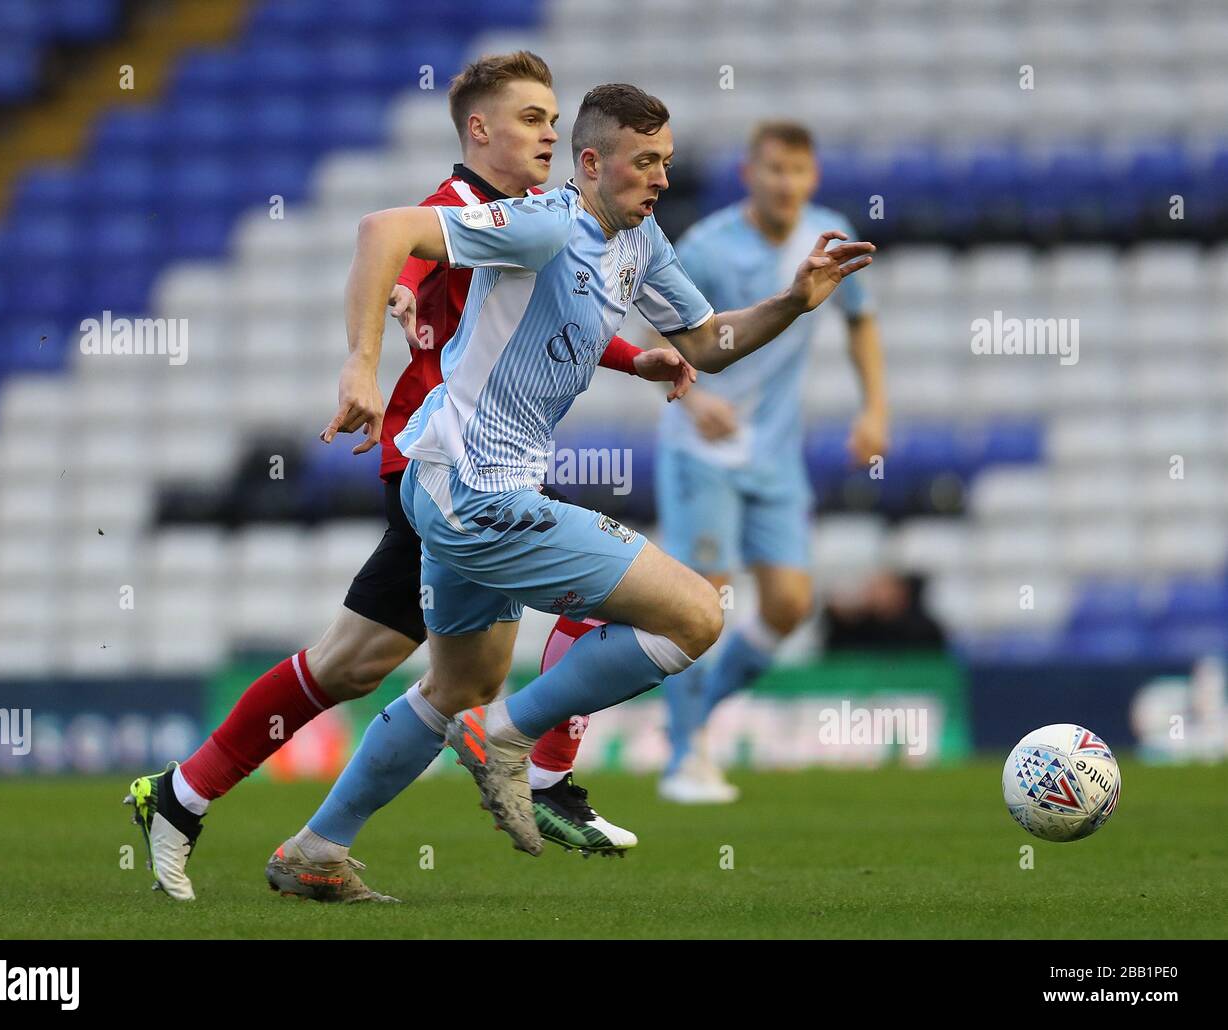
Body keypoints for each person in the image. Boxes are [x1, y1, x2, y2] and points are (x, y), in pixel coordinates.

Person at [263, 83, 873, 901]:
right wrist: (360, 364)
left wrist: (795, 302)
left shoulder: (642, 240)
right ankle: (510, 736)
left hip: (451, 485)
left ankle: (316, 849)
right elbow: (382, 231)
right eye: (643, 162)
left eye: (666, 160)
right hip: (476, 496)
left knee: (454, 687)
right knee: (696, 615)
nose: (660, 177)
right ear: (590, 163)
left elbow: (708, 342)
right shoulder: (547, 221)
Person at [124, 53, 696, 901]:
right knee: (570, 624)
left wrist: (628, 358)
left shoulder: (536, 215)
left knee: (374, 666)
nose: (549, 131)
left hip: (473, 467)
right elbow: (398, 251)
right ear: (480, 129)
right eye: (533, 118)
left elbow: (536, 310)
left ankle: (202, 800)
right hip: (449, 466)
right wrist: (374, 344)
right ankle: (539, 773)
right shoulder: (455, 207)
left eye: (552, 118)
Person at [656, 122, 890, 803]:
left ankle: (699, 718)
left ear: (812, 177)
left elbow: (861, 319)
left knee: (789, 604)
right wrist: (693, 401)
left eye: (798, 170)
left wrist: (874, 408)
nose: (786, 182)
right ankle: (684, 757)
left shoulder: (828, 235)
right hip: (704, 450)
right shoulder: (705, 245)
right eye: (774, 169)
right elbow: (659, 329)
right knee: (705, 604)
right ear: (747, 174)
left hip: (776, 456)